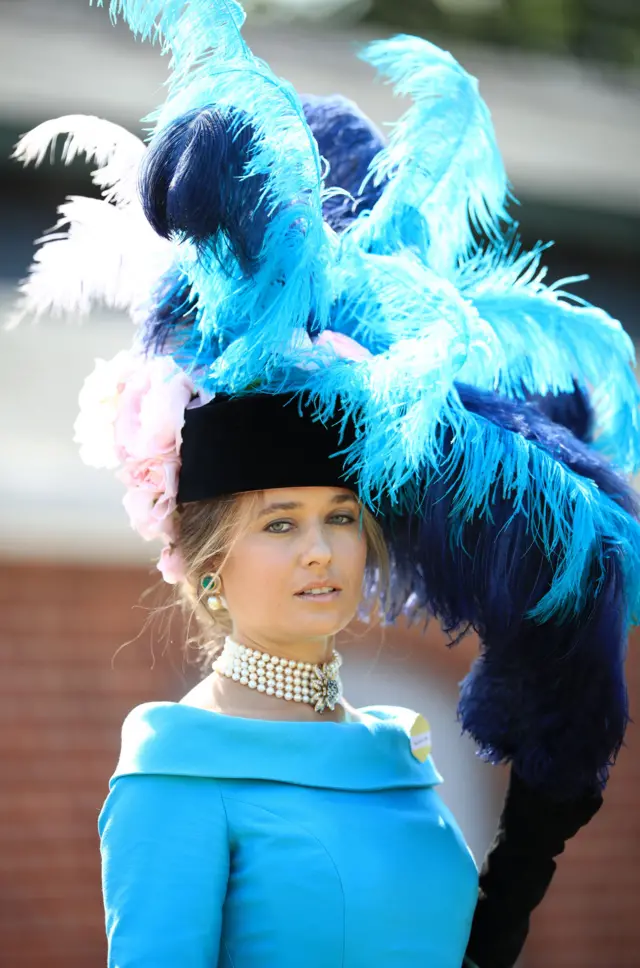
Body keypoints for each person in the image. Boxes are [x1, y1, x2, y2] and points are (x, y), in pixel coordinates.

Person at [13, 1, 640, 965]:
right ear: (205, 563)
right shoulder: (175, 776)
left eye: (341, 517)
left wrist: (522, 872)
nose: (321, 549)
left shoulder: (397, 752)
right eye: (279, 524)